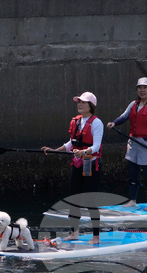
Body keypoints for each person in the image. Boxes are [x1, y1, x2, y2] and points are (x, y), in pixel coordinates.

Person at [42, 92, 103, 244]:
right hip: (78, 164)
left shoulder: (96, 123)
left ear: (91, 106)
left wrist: (84, 151)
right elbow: (71, 143)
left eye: (83, 102)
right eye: (79, 102)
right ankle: (74, 233)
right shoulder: (76, 122)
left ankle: (96, 236)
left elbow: (96, 145)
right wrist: (54, 150)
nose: (79, 104)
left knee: (90, 200)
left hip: (91, 164)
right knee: (73, 198)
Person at [107, 77, 147, 210]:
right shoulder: (133, 104)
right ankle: (132, 200)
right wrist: (114, 122)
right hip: (133, 142)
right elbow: (124, 116)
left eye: (145, 88)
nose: (142, 90)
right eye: (140, 88)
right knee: (133, 173)